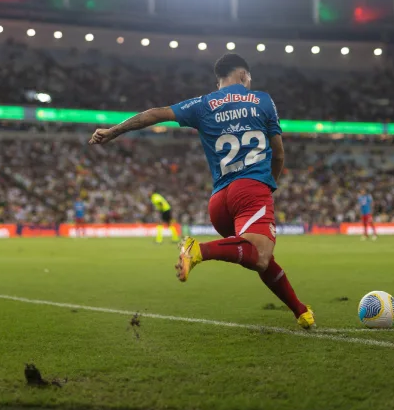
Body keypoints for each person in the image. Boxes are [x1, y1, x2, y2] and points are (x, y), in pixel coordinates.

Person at [89, 53, 315, 329]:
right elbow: (278, 155)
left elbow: (155, 114)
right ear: (244, 75)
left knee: (259, 258)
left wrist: (114, 131)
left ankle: (301, 311)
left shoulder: (203, 104)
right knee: (261, 254)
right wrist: (268, 187)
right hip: (251, 188)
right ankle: (198, 250)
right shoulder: (262, 100)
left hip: (219, 202)